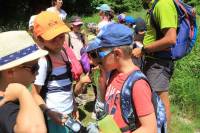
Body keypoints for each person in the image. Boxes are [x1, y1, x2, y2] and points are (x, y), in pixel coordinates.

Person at [96, 23, 157, 132]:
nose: (99, 59)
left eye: (100, 53)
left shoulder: (138, 84)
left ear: (117, 54)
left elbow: (150, 128)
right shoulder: (114, 73)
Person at [132, 0, 178, 126]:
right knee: (154, 100)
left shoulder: (163, 4)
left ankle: (163, 129)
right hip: (153, 61)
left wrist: (143, 49)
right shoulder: (155, 5)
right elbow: (155, 35)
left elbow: (170, 39)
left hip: (159, 63)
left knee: (160, 101)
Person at [32, 11, 79, 133]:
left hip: (67, 112)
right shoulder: (43, 61)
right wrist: (49, 112)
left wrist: (73, 103)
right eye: (53, 39)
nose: (59, 42)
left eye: (61, 36)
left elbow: (68, 83)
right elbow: (35, 94)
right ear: (40, 39)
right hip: (53, 116)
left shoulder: (63, 53)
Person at [0, 31, 48, 133]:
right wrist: (22, 92)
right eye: (34, 67)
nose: (38, 72)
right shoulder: (6, 106)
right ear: (10, 72)